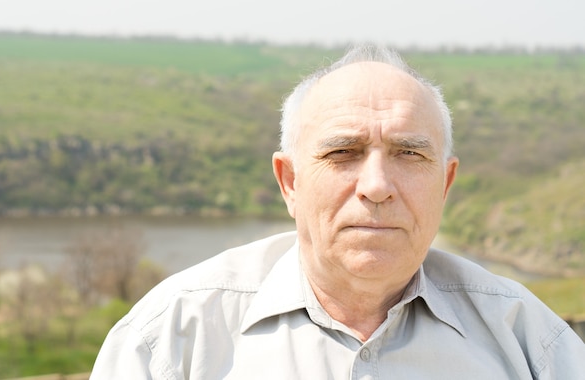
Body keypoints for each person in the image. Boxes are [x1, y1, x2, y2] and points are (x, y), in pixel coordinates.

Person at [90, 45, 585, 379]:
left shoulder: (527, 340)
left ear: (446, 184)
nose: (376, 186)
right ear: (290, 182)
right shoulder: (172, 339)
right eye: (342, 153)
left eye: (410, 154)